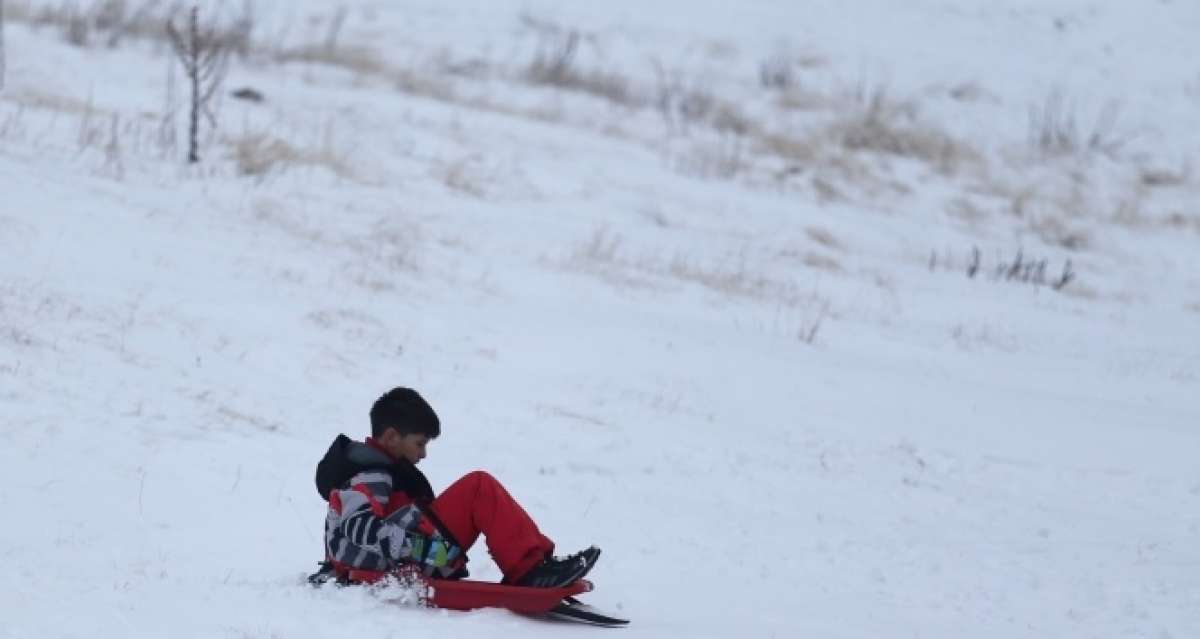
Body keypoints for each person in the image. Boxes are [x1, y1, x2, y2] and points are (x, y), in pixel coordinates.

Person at [314, 387, 599, 588]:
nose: (423, 454)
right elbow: (357, 526)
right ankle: (530, 570)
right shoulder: (367, 474)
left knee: (478, 487)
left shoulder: (383, 470)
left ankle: (535, 565)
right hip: (393, 562)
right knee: (478, 487)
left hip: (410, 556)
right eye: (419, 443)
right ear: (391, 437)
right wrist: (422, 549)